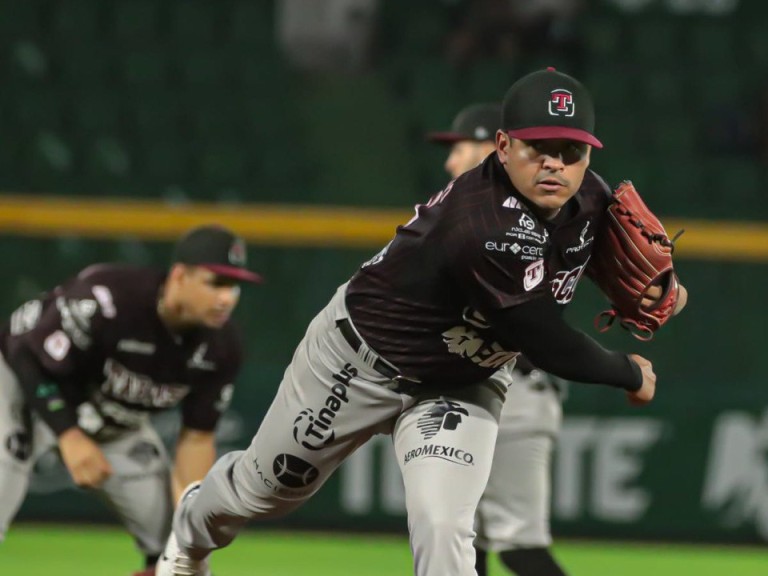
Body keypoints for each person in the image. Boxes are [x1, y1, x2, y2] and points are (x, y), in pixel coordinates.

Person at [156, 67, 686, 576]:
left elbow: (594, 259)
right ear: (503, 147)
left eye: (570, 151)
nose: (555, 165)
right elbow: (547, 343)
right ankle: (187, 535)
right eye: (537, 148)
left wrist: (663, 291)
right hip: (355, 361)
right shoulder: (484, 220)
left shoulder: (590, 197)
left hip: (460, 383)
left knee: (443, 523)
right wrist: (627, 371)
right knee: (262, 491)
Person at [0, 225, 260, 576]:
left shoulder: (222, 347)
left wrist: (193, 515)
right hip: (24, 398)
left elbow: (197, 437)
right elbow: (23, 352)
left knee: (180, 550)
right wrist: (70, 435)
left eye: (234, 286)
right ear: (180, 276)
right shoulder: (107, 299)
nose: (227, 298)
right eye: (216, 282)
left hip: (114, 427)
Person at [428, 102, 569, 576]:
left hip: (516, 395)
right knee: (467, 546)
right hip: (479, 392)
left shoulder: (514, 219)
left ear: (496, 148)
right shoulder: (472, 214)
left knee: (520, 547)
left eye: (461, 147)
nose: (450, 162)